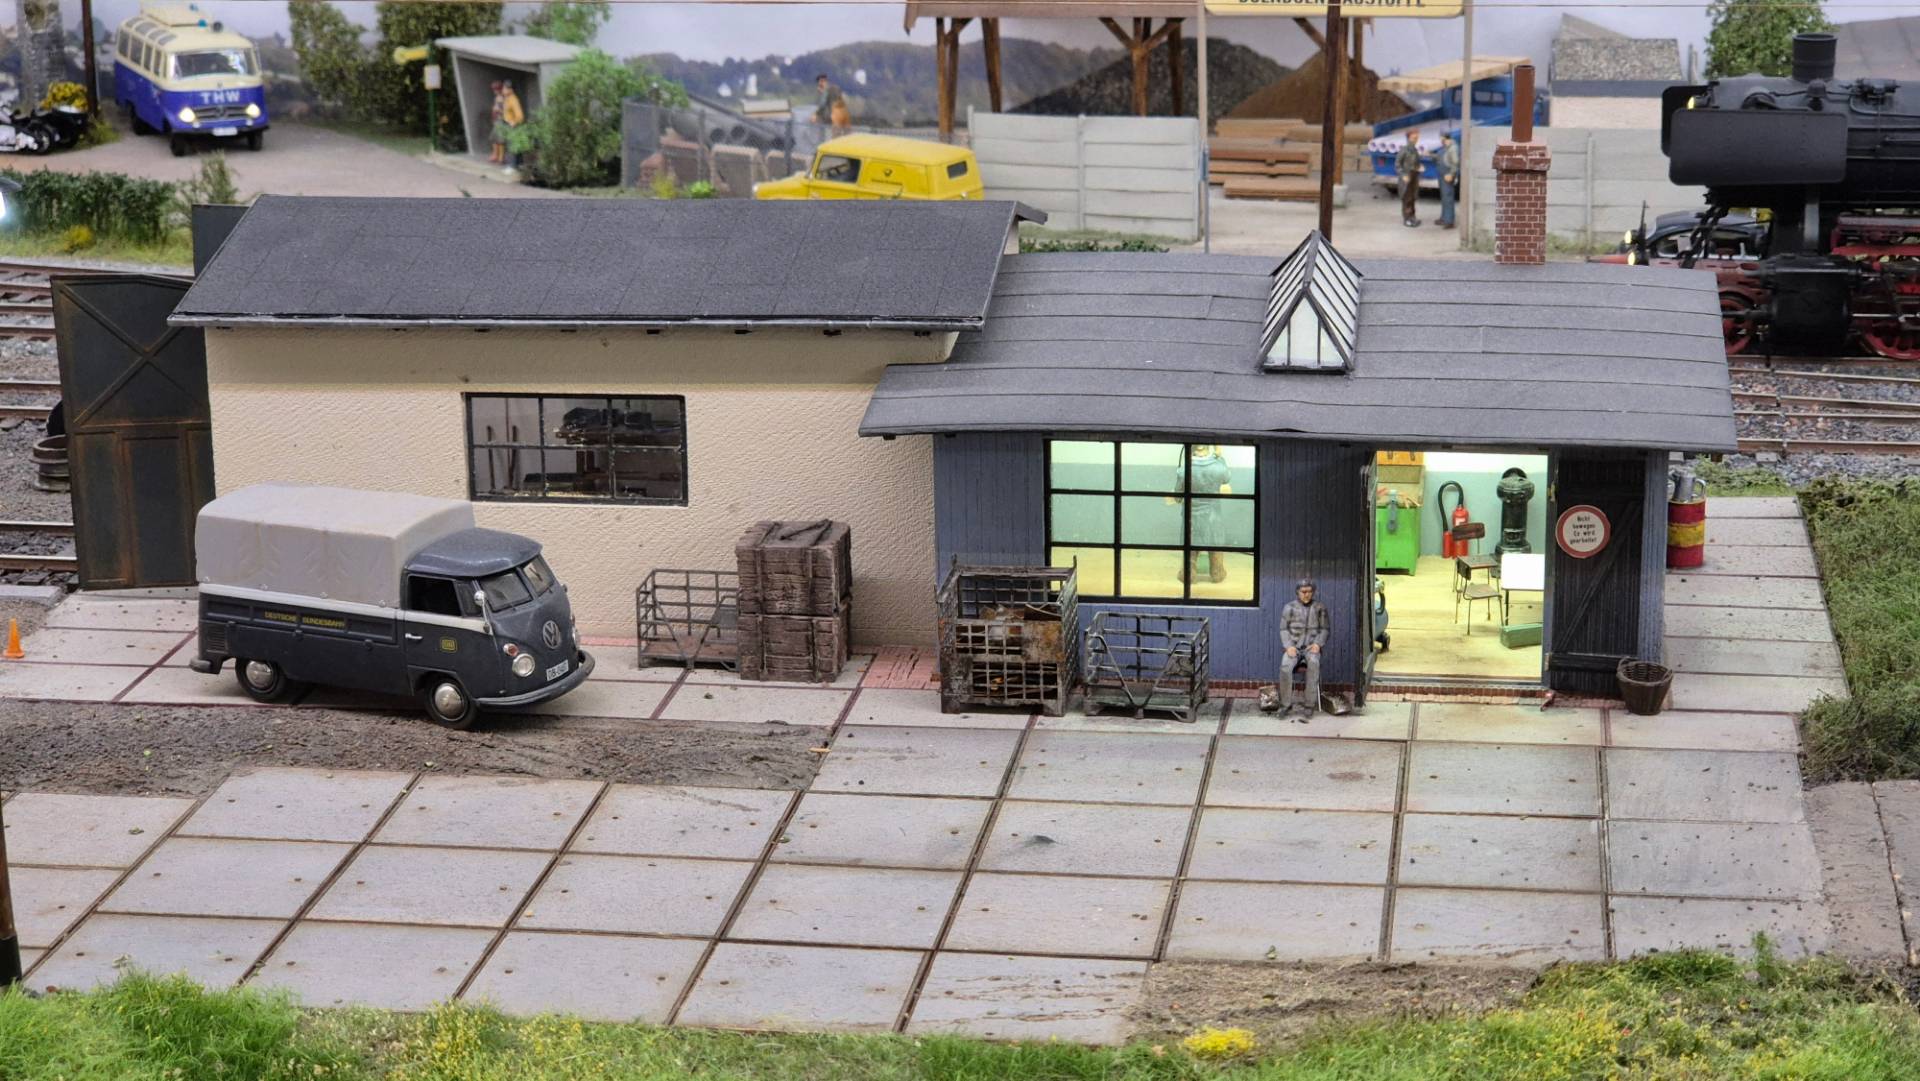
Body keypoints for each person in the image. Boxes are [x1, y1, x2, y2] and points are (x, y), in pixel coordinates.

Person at [1170, 445, 1233, 586]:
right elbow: (1227, 477)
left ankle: (1188, 575)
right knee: (1215, 547)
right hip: (1213, 517)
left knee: (1190, 549)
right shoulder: (1218, 467)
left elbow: (1178, 497)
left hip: (1192, 518)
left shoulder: (1184, 470)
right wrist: (1220, 456)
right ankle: (1217, 574)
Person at [1279, 578, 1330, 719]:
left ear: (1313, 592)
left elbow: (1325, 629)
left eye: (1309, 591)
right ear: (1297, 592)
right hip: (1294, 647)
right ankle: (1285, 705)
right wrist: (1288, 646)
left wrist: (1318, 644)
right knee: (1285, 666)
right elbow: (1283, 629)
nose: (1306, 594)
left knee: (1313, 663)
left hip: (1310, 647)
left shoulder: (1320, 608)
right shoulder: (1289, 607)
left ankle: (1309, 705)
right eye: (1303, 591)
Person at [1396, 128, 1422, 228]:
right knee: (1407, 199)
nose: (1415, 140)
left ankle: (1412, 217)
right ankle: (1407, 219)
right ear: (1408, 138)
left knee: (1413, 198)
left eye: (1417, 138)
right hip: (1406, 177)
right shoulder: (1404, 150)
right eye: (1414, 138)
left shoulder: (1415, 150)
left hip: (1414, 176)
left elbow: (1416, 163)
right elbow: (1397, 165)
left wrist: (1419, 167)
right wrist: (1403, 175)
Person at [499, 79, 526, 174]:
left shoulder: (514, 100)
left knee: (512, 146)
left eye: (505, 88)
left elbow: (520, 115)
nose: (503, 90)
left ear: (511, 90)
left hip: (513, 126)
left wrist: (514, 122)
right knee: (515, 145)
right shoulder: (507, 99)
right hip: (507, 123)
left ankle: (512, 166)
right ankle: (519, 164)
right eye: (503, 88)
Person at [1437, 131, 1459, 230]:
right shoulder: (1445, 147)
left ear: (1444, 137)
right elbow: (1441, 157)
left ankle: (1449, 221)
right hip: (1442, 175)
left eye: (1441, 137)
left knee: (1448, 198)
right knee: (1444, 198)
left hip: (1447, 175)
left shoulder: (1453, 148)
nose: (1440, 140)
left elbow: (1455, 163)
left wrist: (1451, 174)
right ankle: (1444, 218)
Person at [487, 80, 506, 165]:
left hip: (501, 120)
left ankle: (501, 157)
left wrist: (499, 110)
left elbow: (505, 111)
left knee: (500, 139)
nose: (495, 91)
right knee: (494, 138)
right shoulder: (497, 98)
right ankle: (495, 155)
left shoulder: (503, 98)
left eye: (496, 89)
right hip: (496, 120)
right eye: (494, 89)